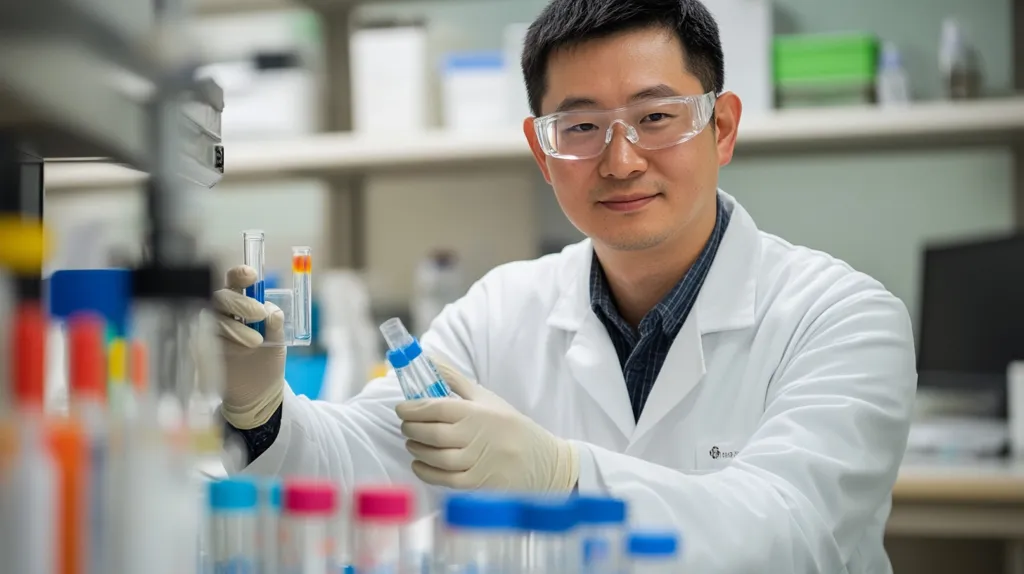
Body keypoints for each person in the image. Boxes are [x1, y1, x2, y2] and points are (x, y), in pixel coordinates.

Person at [211, 0, 917, 571]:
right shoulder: (498, 312)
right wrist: (260, 410)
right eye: (580, 126)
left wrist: (561, 475)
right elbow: (362, 466)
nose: (619, 159)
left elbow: (791, 536)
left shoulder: (844, 318)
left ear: (721, 128)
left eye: (655, 118)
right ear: (542, 153)